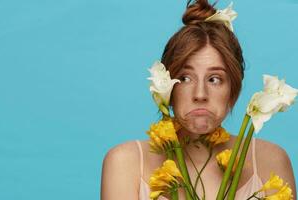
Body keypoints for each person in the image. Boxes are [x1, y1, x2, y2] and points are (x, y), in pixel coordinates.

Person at [101, 0, 297, 199]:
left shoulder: (270, 161)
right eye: (185, 78)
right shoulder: (125, 163)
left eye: (214, 79)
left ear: (233, 89)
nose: (200, 94)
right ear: (167, 89)